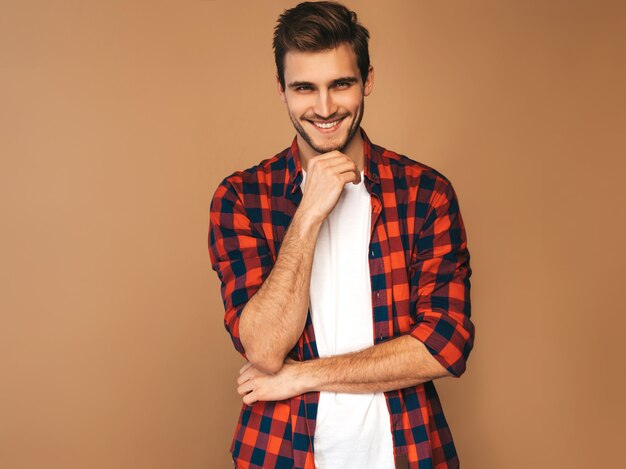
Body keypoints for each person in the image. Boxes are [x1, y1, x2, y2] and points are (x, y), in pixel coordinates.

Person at [208, 2, 475, 468]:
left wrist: (301, 377)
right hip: (282, 453)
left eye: (341, 84)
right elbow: (265, 351)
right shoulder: (241, 198)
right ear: (281, 89)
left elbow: (443, 345)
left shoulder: (425, 194)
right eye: (305, 88)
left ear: (367, 81)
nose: (325, 107)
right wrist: (309, 212)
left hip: (407, 451)